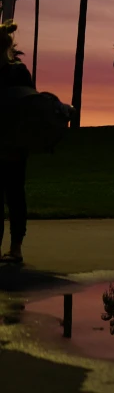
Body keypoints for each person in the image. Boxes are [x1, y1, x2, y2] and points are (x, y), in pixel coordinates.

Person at [0, 21, 32, 263]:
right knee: (15, 196)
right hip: (17, 143)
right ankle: (16, 248)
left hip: (9, 142)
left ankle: (13, 249)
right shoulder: (20, 71)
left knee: (10, 196)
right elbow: (31, 104)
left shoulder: (14, 72)